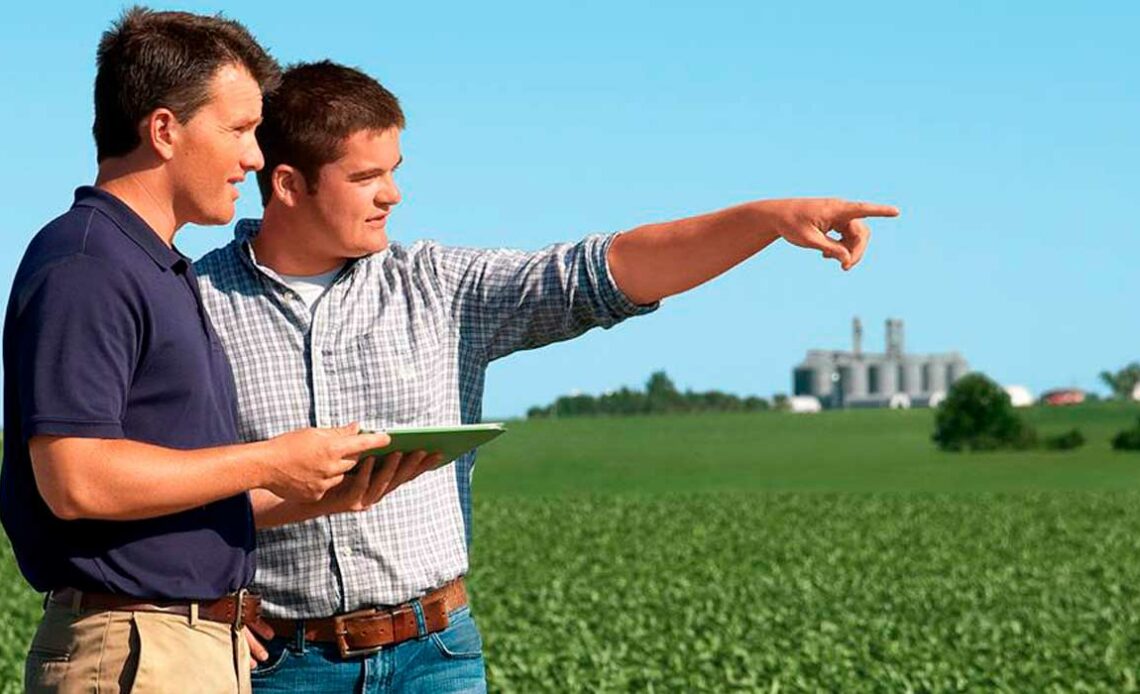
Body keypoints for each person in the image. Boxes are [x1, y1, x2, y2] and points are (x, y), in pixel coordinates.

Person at [194, 60, 899, 693]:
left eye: (396, 169)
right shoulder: (192, 306)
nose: (393, 195)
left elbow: (600, 273)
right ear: (286, 184)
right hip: (280, 669)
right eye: (365, 177)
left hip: (434, 655)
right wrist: (197, 605)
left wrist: (765, 221)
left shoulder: (439, 286)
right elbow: (145, 486)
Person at [0, 12, 407, 693]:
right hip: (135, 653)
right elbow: (76, 479)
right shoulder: (86, 264)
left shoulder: (155, 266)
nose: (254, 156)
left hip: (180, 650)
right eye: (240, 129)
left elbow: (170, 494)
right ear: (164, 130)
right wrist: (273, 458)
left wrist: (320, 490)